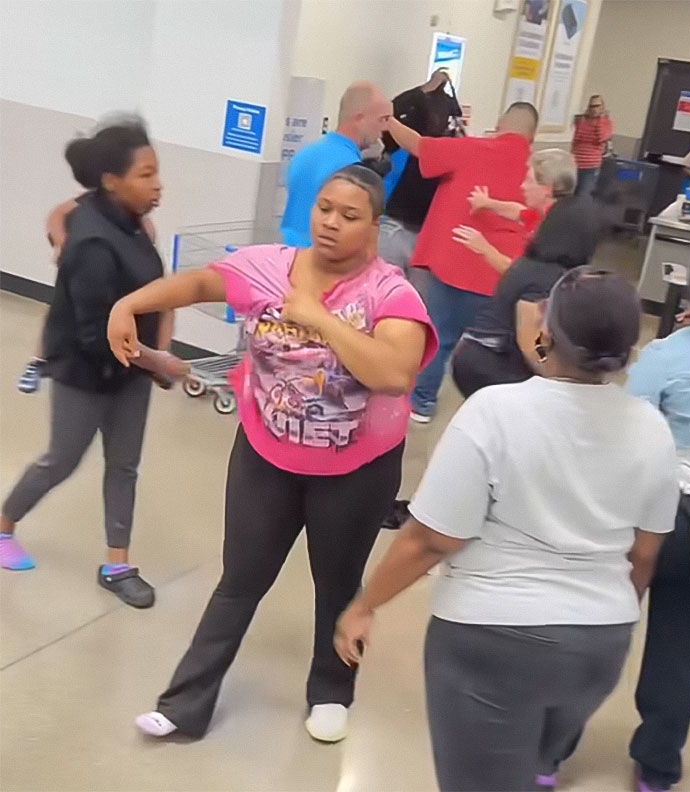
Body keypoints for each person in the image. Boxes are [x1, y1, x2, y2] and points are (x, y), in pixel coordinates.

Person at [106, 166, 437, 743]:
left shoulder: (391, 293)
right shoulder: (270, 266)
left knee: (337, 583)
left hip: (355, 470)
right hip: (266, 452)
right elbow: (201, 283)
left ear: (376, 226)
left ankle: (332, 690)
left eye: (350, 216)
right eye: (325, 208)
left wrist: (317, 318)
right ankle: (185, 705)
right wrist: (130, 304)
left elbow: (393, 372)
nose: (331, 223)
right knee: (241, 577)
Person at [336, 267, 681, 792]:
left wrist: (365, 606)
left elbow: (433, 539)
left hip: (491, 641)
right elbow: (645, 555)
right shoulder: (652, 431)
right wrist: (601, 613)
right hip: (599, 647)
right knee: (525, 769)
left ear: (546, 335)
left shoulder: (496, 412)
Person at [0, 117, 175, 609]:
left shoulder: (135, 223)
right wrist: (158, 362)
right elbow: (96, 336)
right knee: (62, 460)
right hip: (85, 370)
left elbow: (153, 296)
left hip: (130, 369)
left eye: (157, 172)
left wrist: (157, 355)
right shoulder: (93, 242)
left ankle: (117, 564)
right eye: (145, 174)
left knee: (124, 465)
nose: (157, 183)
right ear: (111, 180)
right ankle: (4, 525)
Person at [386, 101, 538, 422]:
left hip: (453, 262)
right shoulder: (539, 172)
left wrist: (389, 120)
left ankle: (422, 404)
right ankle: (489, 415)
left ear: (499, 124)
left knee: (439, 337)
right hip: (504, 275)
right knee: (493, 348)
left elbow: (417, 145)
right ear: (533, 137)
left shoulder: (472, 148)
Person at [627, 256, 690, 792]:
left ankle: (550, 752)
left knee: (596, 628)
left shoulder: (667, 356)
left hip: (660, 513)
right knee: (681, 647)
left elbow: (625, 438)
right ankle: (657, 767)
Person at [452, 193, 599, 399]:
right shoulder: (547, 278)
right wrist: (560, 377)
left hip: (479, 355)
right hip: (491, 362)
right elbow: (531, 344)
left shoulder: (533, 264)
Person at [17, 197, 160, 394]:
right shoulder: (92, 201)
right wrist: (64, 247)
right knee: (61, 310)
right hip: (83, 265)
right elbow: (56, 216)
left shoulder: (141, 225)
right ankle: (39, 362)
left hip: (115, 279)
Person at [280, 82, 392, 248]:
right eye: (381, 120)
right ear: (360, 118)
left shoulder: (306, 154)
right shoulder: (351, 171)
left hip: (289, 257)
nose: (384, 128)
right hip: (323, 259)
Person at [378, 70, 462, 281]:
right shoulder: (401, 149)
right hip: (395, 225)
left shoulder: (452, 154)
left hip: (427, 237)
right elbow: (391, 112)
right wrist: (423, 90)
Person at [452, 148, 577, 275]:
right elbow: (520, 212)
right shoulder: (555, 211)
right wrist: (487, 203)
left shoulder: (552, 234)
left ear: (547, 189)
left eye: (529, 181)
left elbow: (518, 273)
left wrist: (484, 248)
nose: (522, 186)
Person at [571, 95, 613, 196]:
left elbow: (602, 137)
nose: (594, 109)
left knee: (583, 193)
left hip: (591, 164)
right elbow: (577, 140)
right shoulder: (583, 121)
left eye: (597, 106)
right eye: (591, 106)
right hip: (576, 162)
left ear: (602, 107)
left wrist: (601, 120)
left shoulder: (606, 123)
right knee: (572, 194)